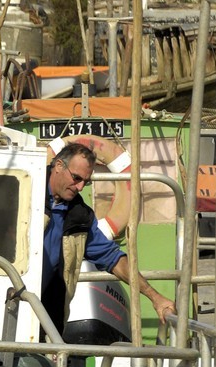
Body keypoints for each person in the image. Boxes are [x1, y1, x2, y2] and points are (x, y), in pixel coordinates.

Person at [42, 141, 175, 337]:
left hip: (44, 316)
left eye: (86, 182)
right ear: (59, 166)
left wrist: (156, 298)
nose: (80, 187)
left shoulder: (79, 216)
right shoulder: (22, 190)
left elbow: (113, 259)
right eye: (76, 178)